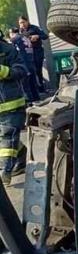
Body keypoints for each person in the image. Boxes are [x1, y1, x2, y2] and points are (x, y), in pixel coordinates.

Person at [0, 30, 28, 185]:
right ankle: (21, 157)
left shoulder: (7, 50)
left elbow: (22, 70)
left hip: (11, 105)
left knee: (7, 137)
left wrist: (4, 71)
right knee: (9, 138)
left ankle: (4, 174)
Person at [8, 28, 40, 103]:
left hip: (24, 65)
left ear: (11, 33)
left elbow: (8, 49)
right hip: (31, 64)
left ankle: (31, 103)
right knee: (33, 85)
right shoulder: (25, 38)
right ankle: (37, 100)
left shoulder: (14, 39)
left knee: (26, 87)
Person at [18, 15, 48, 92]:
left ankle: (41, 88)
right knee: (30, 71)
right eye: (20, 23)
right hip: (27, 54)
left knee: (38, 70)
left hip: (37, 51)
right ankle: (35, 89)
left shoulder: (34, 28)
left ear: (27, 21)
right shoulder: (20, 31)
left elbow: (45, 36)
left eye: (23, 22)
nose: (22, 24)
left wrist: (37, 36)